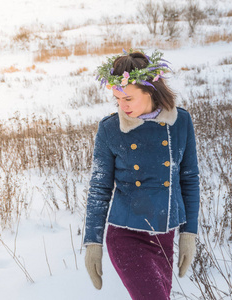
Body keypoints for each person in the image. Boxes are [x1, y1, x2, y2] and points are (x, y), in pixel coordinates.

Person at [83, 49, 200, 300]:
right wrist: (93, 242)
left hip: (164, 236)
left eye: (128, 99)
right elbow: (99, 189)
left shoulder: (180, 123)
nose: (122, 107)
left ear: (150, 90)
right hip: (127, 236)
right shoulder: (110, 129)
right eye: (117, 99)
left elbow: (189, 179)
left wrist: (188, 233)